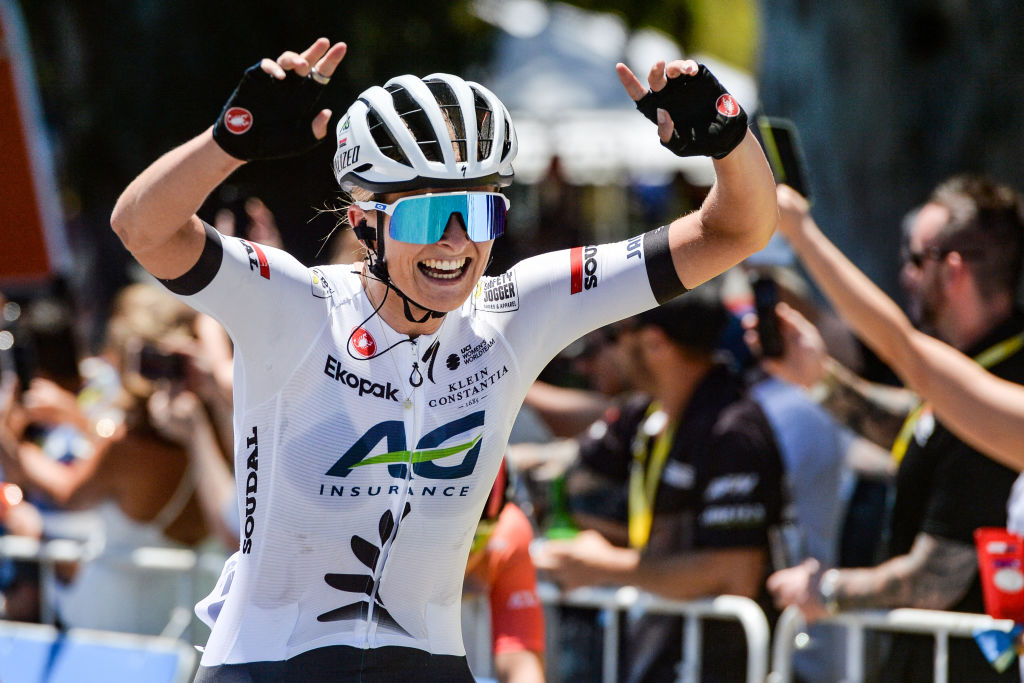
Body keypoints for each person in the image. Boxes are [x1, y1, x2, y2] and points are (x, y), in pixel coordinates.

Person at [109, 36, 777, 680]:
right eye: (429, 218)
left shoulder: (519, 309)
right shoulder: (294, 305)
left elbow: (738, 229)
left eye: (481, 214)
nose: (457, 243)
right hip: (266, 665)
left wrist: (727, 138)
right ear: (363, 220)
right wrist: (229, 143)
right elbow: (142, 227)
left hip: (425, 663)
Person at [765, 178, 1024, 682]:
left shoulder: (1011, 375)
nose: (904, 275)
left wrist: (801, 233)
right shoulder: (989, 370)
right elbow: (923, 426)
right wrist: (818, 380)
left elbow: (901, 350)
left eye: (913, 259)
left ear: (952, 270)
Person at [534, 293, 785, 683]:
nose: (610, 352)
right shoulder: (645, 412)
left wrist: (603, 566)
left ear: (653, 342)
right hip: (658, 654)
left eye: (614, 336)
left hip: (718, 665)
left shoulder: (734, 430)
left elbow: (736, 572)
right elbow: (560, 465)